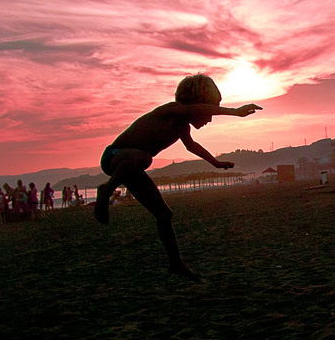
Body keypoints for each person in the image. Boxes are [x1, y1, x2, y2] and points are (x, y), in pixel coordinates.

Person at [94, 74, 261, 280]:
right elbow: (196, 110)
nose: (209, 119)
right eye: (208, 111)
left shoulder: (183, 127)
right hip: (114, 157)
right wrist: (235, 112)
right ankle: (106, 191)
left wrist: (216, 163)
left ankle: (175, 263)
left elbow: (192, 147)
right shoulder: (171, 111)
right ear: (197, 103)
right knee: (145, 158)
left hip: (132, 168)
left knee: (164, 215)